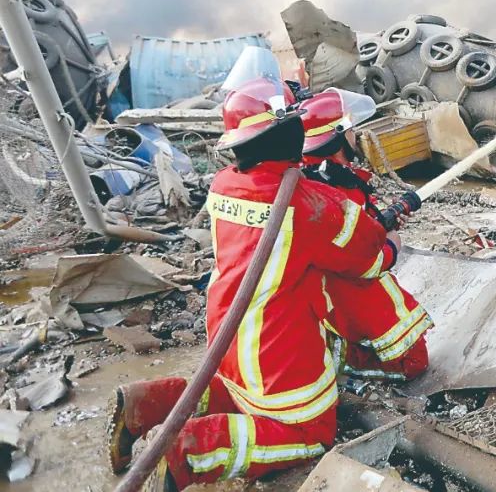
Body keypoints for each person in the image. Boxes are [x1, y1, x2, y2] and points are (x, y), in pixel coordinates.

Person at [108, 77, 394, 490]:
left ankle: (142, 402)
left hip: (228, 340)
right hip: (280, 358)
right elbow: (366, 261)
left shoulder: (225, 184)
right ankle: (190, 450)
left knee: (231, 394)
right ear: (287, 131)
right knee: (309, 435)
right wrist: (391, 243)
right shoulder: (310, 204)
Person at [298, 88, 432, 382]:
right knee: (414, 361)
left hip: (331, 292)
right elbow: (356, 260)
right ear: (335, 139)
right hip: (347, 288)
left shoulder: (321, 176)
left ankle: (334, 345)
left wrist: (384, 221)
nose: (356, 134)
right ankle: (344, 360)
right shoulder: (335, 190)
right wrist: (391, 248)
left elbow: (355, 229)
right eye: (350, 129)